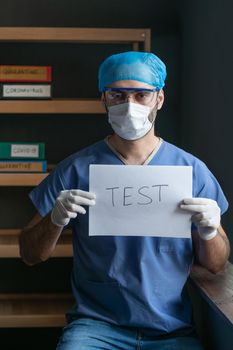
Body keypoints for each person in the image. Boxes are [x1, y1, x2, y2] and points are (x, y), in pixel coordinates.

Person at [19, 51, 230, 350]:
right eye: (118, 95)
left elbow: (217, 264)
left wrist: (210, 231)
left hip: (171, 330)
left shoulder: (191, 170)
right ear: (103, 99)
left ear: (159, 99)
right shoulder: (76, 169)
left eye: (141, 95)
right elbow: (30, 253)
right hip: (95, 327)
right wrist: (55, 219)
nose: (129, 106)